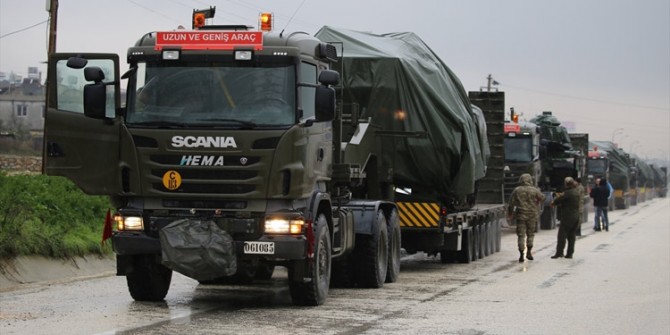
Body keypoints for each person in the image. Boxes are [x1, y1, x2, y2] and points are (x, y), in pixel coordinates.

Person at [507, 173, 546, 262]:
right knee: (530, 234)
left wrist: (510, 213)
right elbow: (543, 198)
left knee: (521, 235)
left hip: (521, 215)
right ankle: (529, 251)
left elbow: (511, 203)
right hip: (532, 215)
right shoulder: (534, 190)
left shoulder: (517, 190)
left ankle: (521, 254)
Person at [551, 177, 582, 259]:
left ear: (566, 184)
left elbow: (556, 201)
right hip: (576, 216)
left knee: (562, 235)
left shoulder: (567, 193)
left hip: (568, 216)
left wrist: (555, 202)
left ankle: (559, 253)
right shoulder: (576, 192)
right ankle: (570, 253)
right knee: (571, 236)